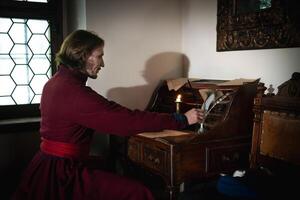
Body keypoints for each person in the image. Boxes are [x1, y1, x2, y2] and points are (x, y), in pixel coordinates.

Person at [12, 30, 204, 200]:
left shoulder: (55, 82)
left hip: (46, 165)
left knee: (112, 167)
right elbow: (125, 120)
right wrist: (182, 119)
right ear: (84, 55)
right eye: (99, 56)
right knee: (137, 192)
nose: (102, 63)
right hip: (63, 174)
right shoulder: (75, 92)